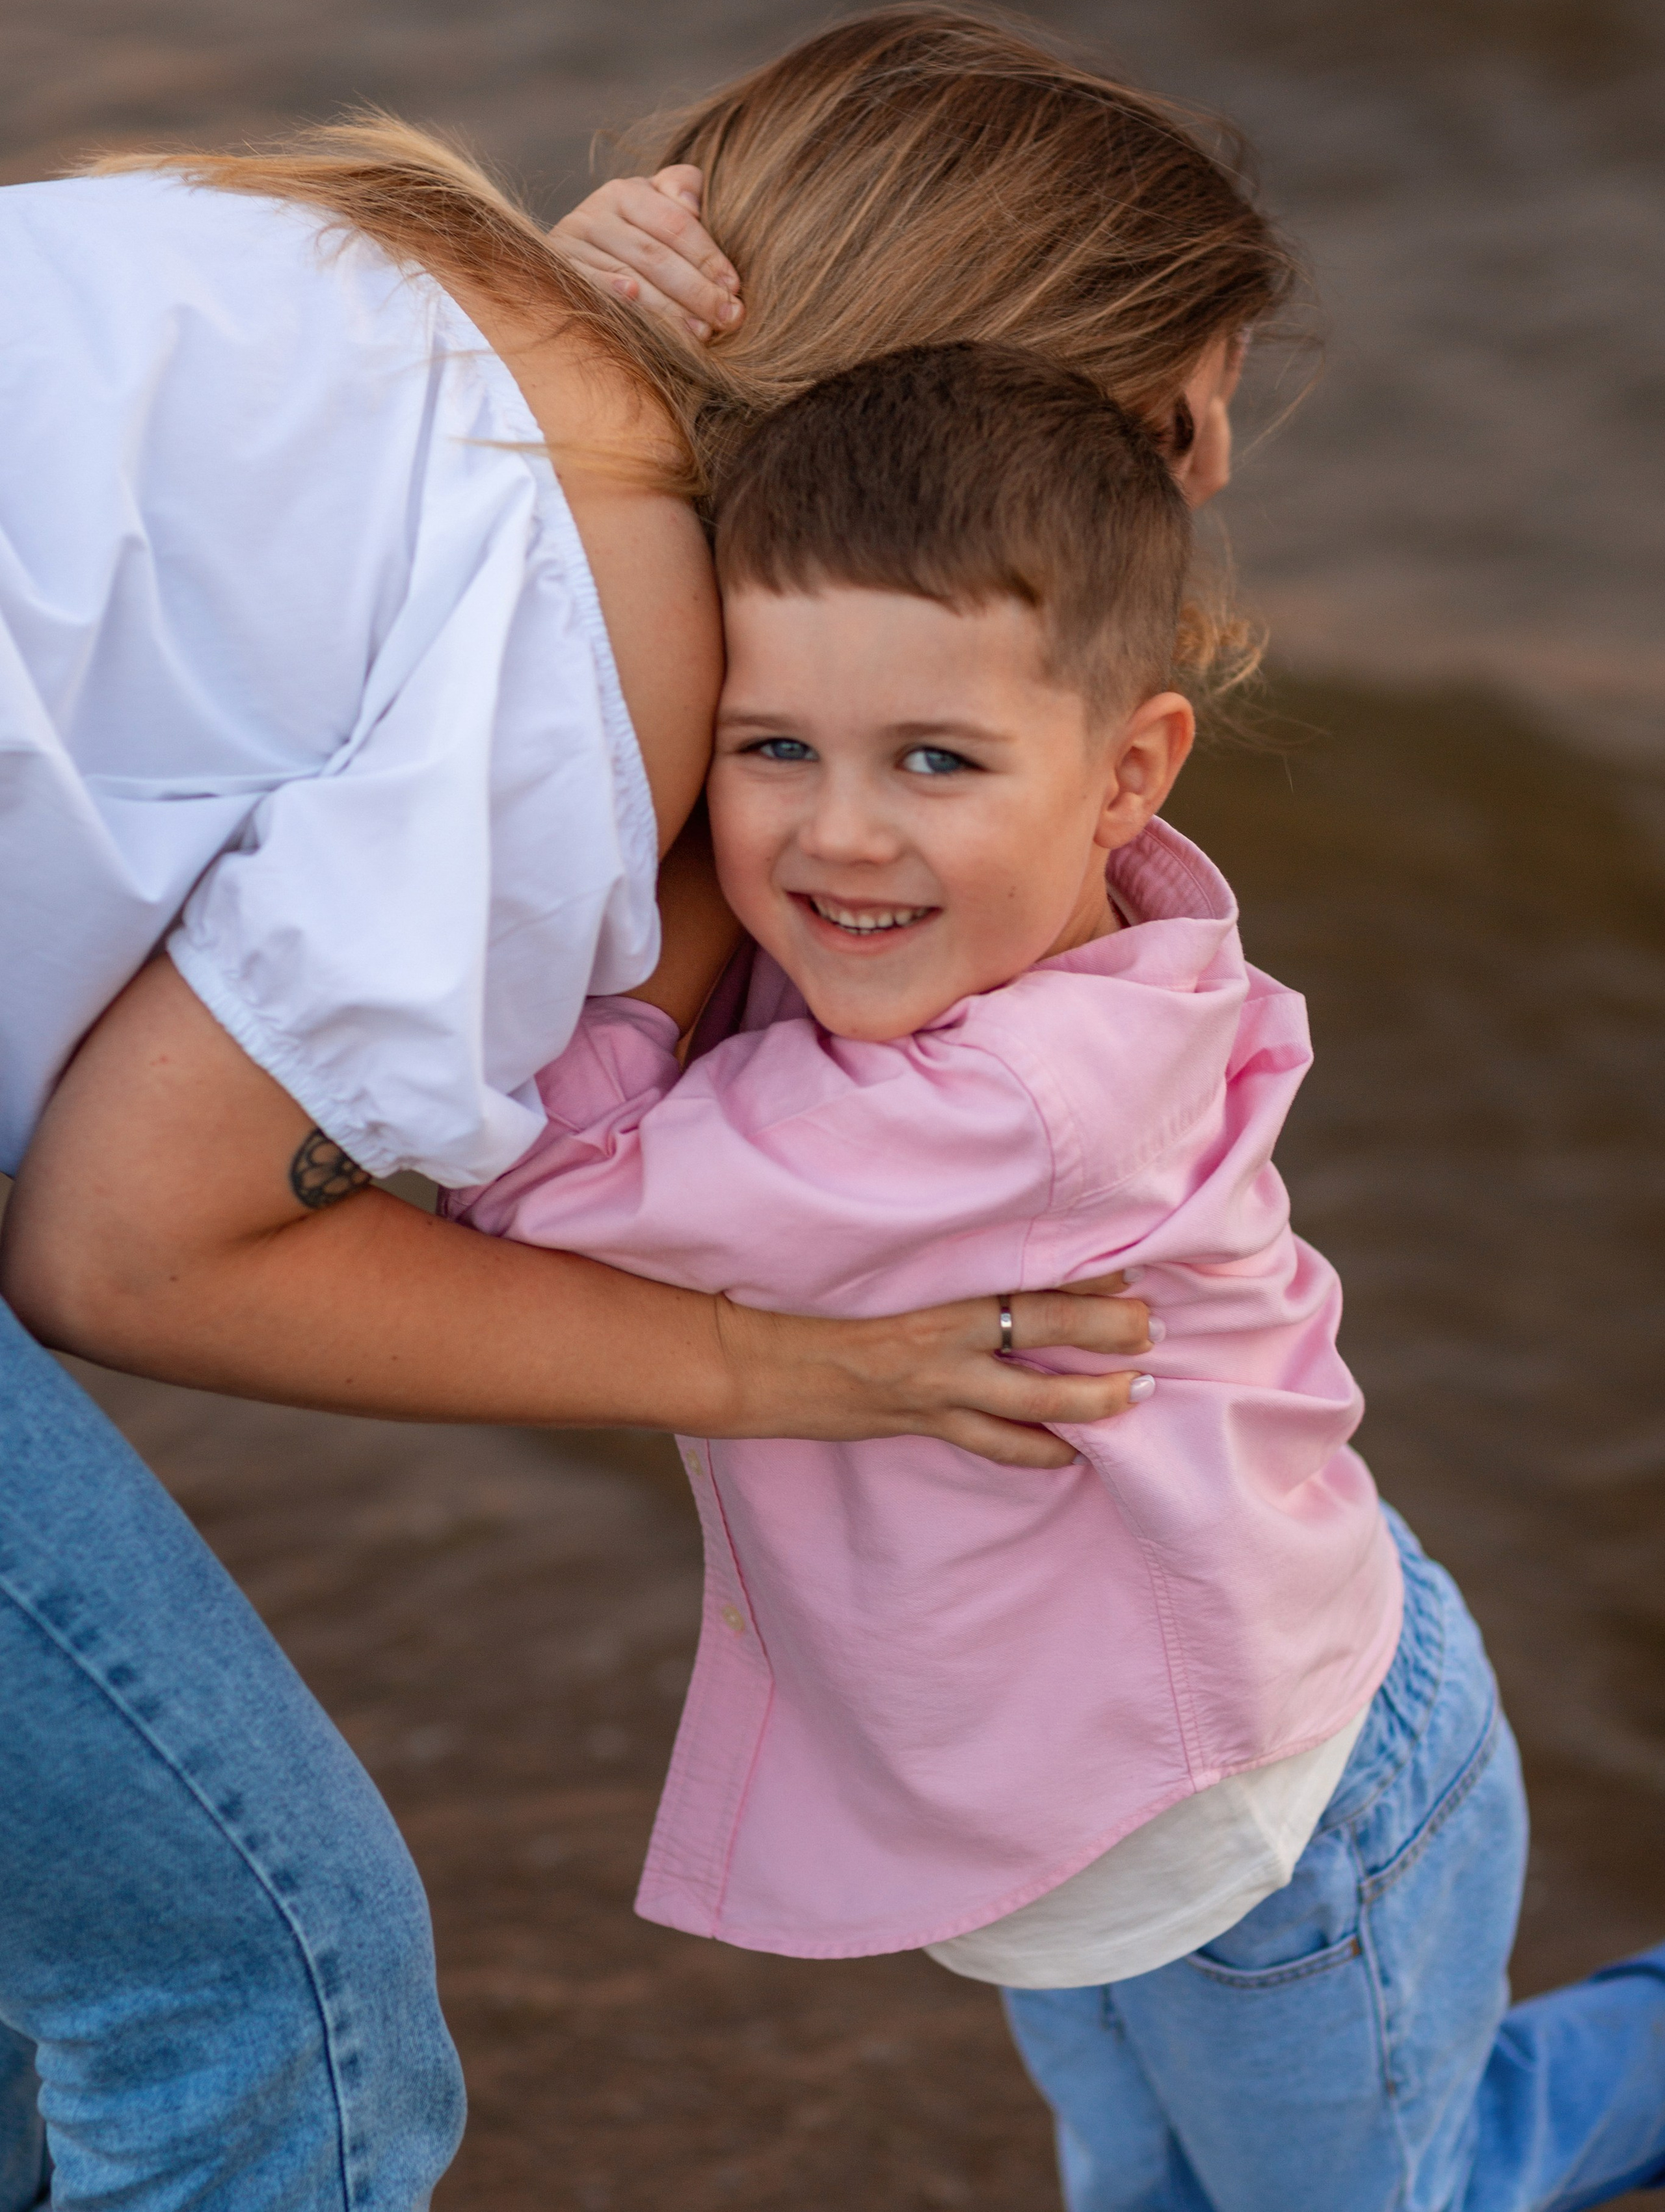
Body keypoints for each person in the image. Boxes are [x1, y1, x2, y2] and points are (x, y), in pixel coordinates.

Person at [0, 7, 1285, 2208]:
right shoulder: (588, 606)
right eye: (1177, 422)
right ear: (982, 419)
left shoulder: (363, 257)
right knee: (267, 2018)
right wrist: (794, 1365)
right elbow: (126, 1246)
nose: (1217, 483)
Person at [452, 344, 1665, 2212]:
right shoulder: (979, 955)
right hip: (1098, 1797)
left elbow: (535, 1190)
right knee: (1146, 2184)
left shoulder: (1006, 1092)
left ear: (1129, 770)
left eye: (934, 758)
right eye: (768, 746)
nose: (840, 832)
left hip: (1270, 1808)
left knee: (1421, 2184)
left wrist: (674, 883)